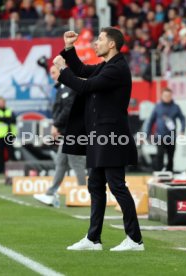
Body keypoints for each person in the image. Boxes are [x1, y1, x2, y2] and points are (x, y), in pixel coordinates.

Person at [53, 27, 144, 251]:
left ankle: (135, 239)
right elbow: (82, 69)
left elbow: (85, 85)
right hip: (99, 136)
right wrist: (68, 48)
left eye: (100, 39)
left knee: (117, 186)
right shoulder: (107, 66)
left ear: (111, 44)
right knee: (95, 185)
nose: (96, 43)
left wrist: (62, 71)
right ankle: (93, 239)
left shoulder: (117, 69)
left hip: (111, 137)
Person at [34, 65, 86, 206]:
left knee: (76, 163)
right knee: (61, 162)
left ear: (61, 72)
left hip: (75, 131)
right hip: (68, 131)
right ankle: (50, 193)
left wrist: (56, 125)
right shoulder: (61, 88)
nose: (51, 75)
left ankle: (84, 194)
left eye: (53, 72)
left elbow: (68, 109)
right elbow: (62, 109)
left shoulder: (69, 87)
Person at [146, 87, 186, 172]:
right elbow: (151, 121)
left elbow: (182, 119)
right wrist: (147, 134)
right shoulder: (157, 107)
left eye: (169, 95)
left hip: (171, 137)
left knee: (170, 156)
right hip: (160, 136)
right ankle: (158, 172)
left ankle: (169, 173)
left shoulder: (176, 107)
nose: (167, 97)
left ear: (171, 96)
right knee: (159, 154)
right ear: (162, 96)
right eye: (165, 95)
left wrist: (182, 130)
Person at [0, 97, 16, 173]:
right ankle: (1, 170)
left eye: (3, 102)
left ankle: (13, 169)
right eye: (0, 102)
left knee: (11, 152)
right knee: (0, 153)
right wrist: (7, 119)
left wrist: (4, 119)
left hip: (9, 134)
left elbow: (14, 119)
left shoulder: (9, 110)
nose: (2, 104)